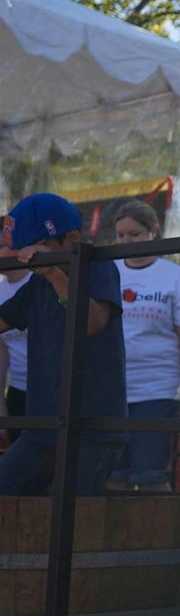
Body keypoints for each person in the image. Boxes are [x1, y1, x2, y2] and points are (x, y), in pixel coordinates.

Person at [0, 193, 127, 494]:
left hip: (93, 429)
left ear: (71, 237)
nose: (29, 258)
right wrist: (47, 272)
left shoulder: (99, 267)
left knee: (70, 521)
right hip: (42, 427)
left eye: (38, 249)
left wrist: (54, 274)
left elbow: (92, 321)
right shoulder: (37, 283)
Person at [106, 201, 180, 492]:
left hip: (157, 390)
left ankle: (154, 537)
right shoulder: (107, 270)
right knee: (113, 478)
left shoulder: (174, 276)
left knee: (151, 478)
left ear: (153, 232)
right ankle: (114, 538)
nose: (126, 241)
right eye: (120, 235)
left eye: (134, 234)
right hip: (112, 388)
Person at [0, 267, 31, 445]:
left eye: (2, 245)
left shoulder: (39, 281)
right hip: (18, 388)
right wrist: (1, 405)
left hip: (52, 387)